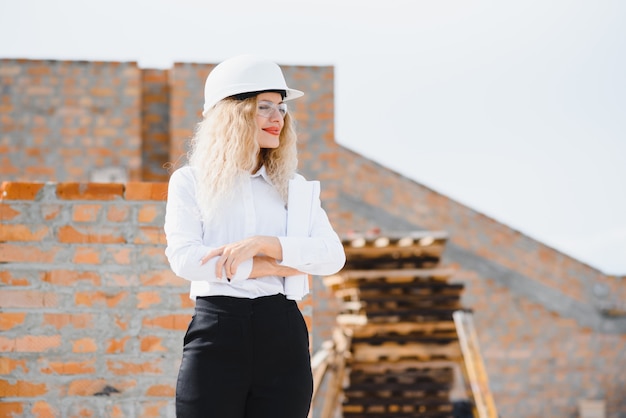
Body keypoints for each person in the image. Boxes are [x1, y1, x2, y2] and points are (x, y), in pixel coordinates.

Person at [164, 54, 346, 418]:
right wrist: (272, 266)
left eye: (281, 108)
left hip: (282, 333)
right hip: (217, 330)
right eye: (264, 107)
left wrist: (264, 244)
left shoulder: (294, 189)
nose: (278, 118)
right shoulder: (190, 182)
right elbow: (185, 259)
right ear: (233, 113)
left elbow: (332, 256)